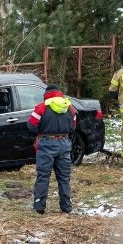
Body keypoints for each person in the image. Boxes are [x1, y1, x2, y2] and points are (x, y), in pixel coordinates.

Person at [27, 84, 77, 215]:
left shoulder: (41, 107)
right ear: (60, 93)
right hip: (64, 143)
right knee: (64, 178)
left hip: (46, 144)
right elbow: (73, 127)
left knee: (43, 176)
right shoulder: (70, 107)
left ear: (46, 94)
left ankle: (39, 206)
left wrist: (41, 132)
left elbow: (31, 125)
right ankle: (66, 207)